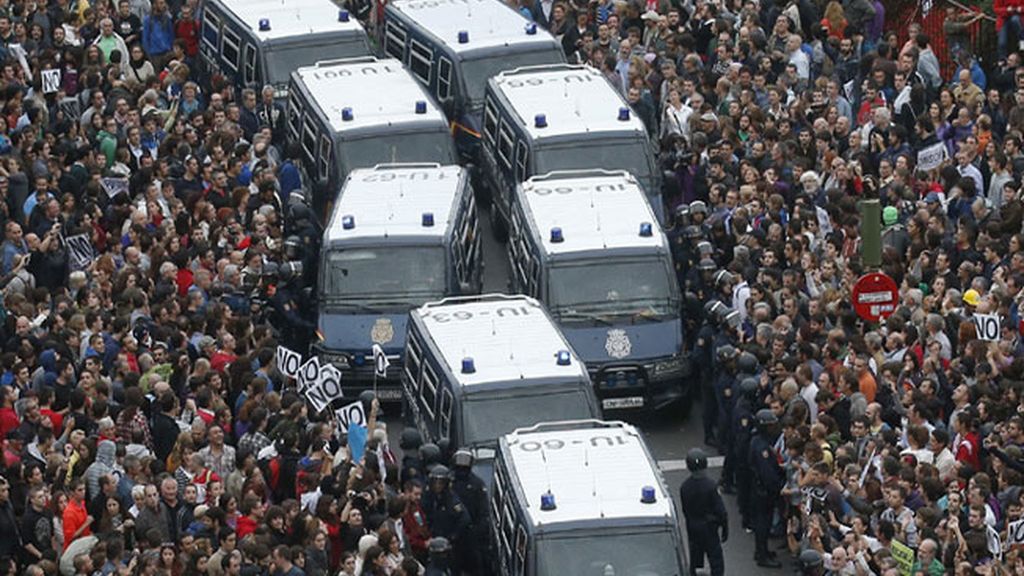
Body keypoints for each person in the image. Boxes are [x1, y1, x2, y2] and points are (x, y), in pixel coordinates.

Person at [679, 448, 727, 576]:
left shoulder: (685, 487)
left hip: (693, 528)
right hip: (709, 528)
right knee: (716, 561)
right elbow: (720, 510)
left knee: (695, 560)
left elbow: (685, 510)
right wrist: (724, 527)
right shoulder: (711, 485)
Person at [748, 409, 783, 568]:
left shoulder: (758, 440)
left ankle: (761, 550)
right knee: (763, 523)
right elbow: (767, 473)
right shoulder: (761, 447)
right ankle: (761, 555)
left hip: (757, 490)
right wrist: (777, 487)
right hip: (763, 492)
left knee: (763, 521)